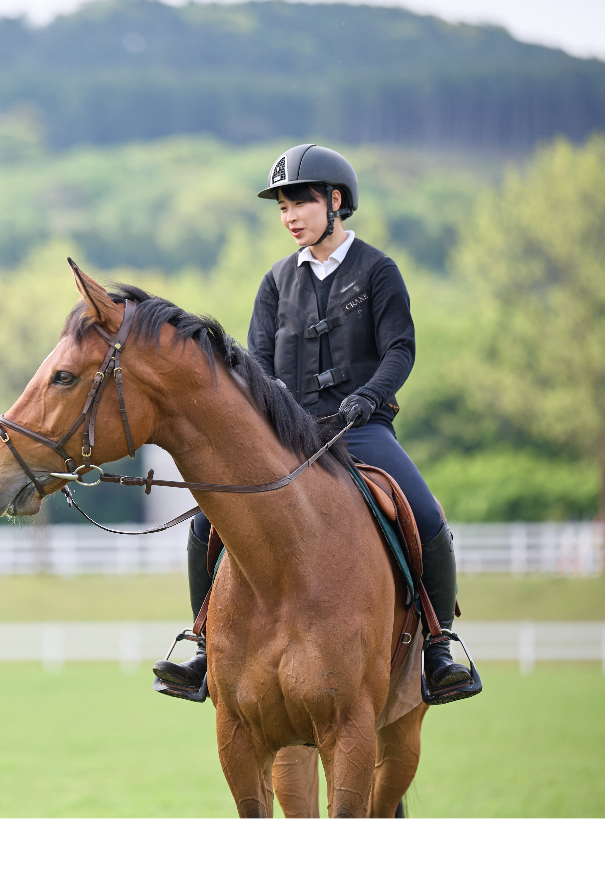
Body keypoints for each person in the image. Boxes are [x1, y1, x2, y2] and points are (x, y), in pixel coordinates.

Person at [153, 144, 472, 697]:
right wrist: (276, 411)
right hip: (289, 436)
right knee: (208, 520)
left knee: (424, 513)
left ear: (336, 201)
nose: (290, 216)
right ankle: (203, 646)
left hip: (362, 428)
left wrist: (366, 399)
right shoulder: (276, 282)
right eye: (282, 207)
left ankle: (440, 649)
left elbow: (400, 350)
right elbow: (254, 366)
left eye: (299, 202)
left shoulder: (378, 271)